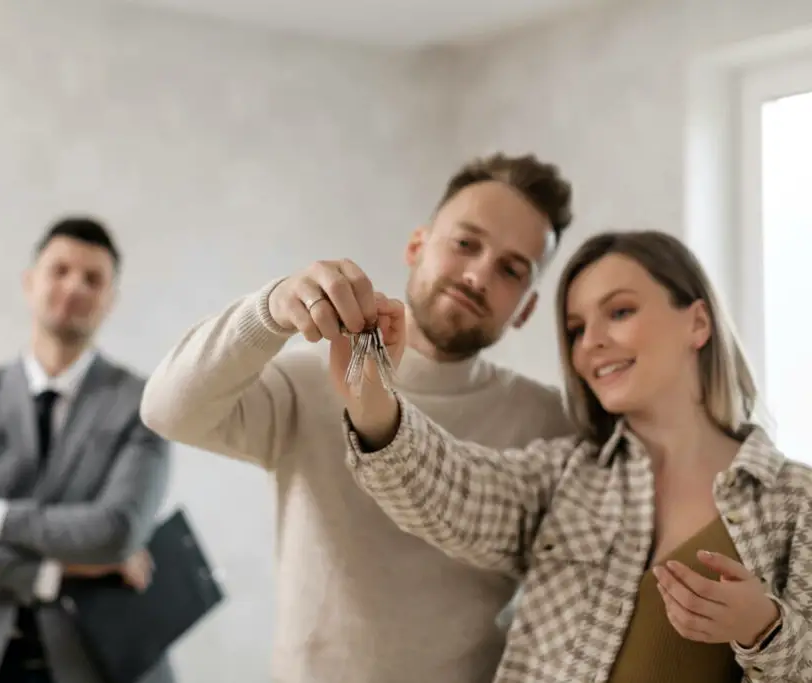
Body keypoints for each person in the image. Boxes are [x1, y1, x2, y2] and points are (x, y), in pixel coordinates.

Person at [140, 153, 575, 683]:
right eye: (466, 243)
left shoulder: (549, 422)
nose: (478, 273)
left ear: (526, 308)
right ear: (418, 246)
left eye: (511, 269)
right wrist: (270, 310)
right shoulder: (307, 380)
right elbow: (166, 410)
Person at [335, 229, 812, 683]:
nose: (591, 343)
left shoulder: (796, 501)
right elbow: (452, 488)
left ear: (698, 323)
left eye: (620, 312)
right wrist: (373, 400)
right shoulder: (565, 475)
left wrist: (765, 628)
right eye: (576, 329)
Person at [0, 218, 175, 683]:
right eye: (60, 270)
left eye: (93, 279)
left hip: (102, 663)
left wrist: (2, 519)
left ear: (110, 301)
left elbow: (117, 531)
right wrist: (54, 570)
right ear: (30, 282)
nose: (74, 286)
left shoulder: (146, 404)